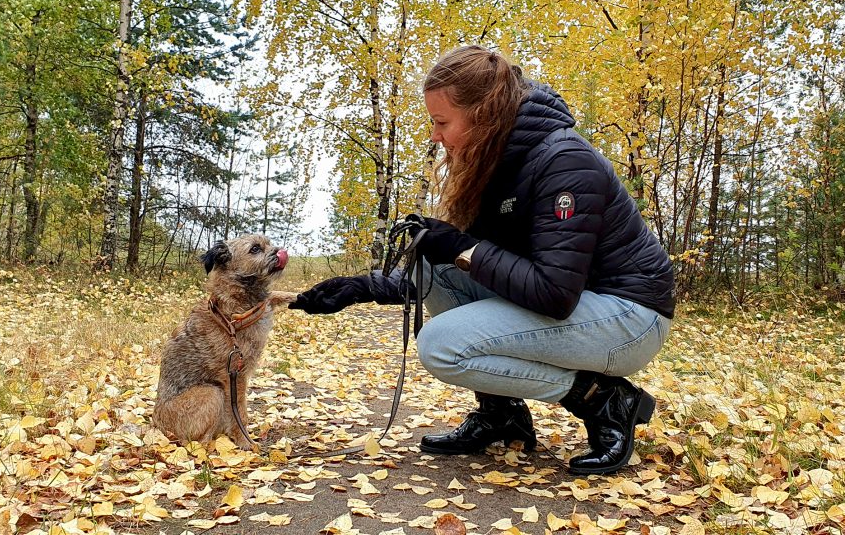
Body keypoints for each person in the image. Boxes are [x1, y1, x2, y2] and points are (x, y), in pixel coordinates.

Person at [289, 45, 675, 475]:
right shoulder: (496, 162)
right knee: (432, 260)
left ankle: (602, 398)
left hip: (628, 317)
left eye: (441, 122)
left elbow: (553, 293)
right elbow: (466, 268)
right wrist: (365, 287)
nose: (435, 135)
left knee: (442, 345)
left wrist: (461, 246)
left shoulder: (565, 161)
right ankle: (502, 415)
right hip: (578, 303)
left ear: (484, 114)